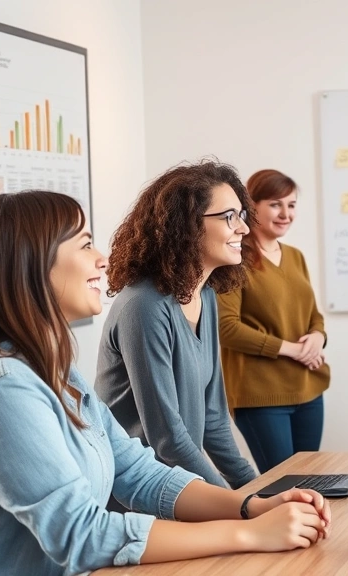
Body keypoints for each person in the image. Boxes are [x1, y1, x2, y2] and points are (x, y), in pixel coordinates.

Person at [0, 191, 332, 576]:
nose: (101, 258)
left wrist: (250, 506)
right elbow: (81, 533)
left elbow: (138, 471)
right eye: (86, 245)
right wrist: (249, 534)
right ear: (30, 262)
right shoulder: (1, 387)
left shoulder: (53, 369)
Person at [97, 160, 257, 488]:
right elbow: (168, 440)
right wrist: (238, 504)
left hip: (180, 485)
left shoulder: (206, 297)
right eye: (230, 217)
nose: (244, 229)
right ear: (187, 224)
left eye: (241, 216)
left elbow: (214, 421)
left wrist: (258, 489)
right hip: (136, 495)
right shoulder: (144, 306)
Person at [217, 169, 331, 473]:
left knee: (309, 482)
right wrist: (292, 349)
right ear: (251, 206)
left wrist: (318, 337)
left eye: (291, 205)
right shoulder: (234, 258)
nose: (286, 213)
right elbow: (226, 327)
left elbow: (313, 315)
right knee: (283, 486)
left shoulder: (295, 256)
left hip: (308, 388)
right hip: (261, 396)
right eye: (275, 204)